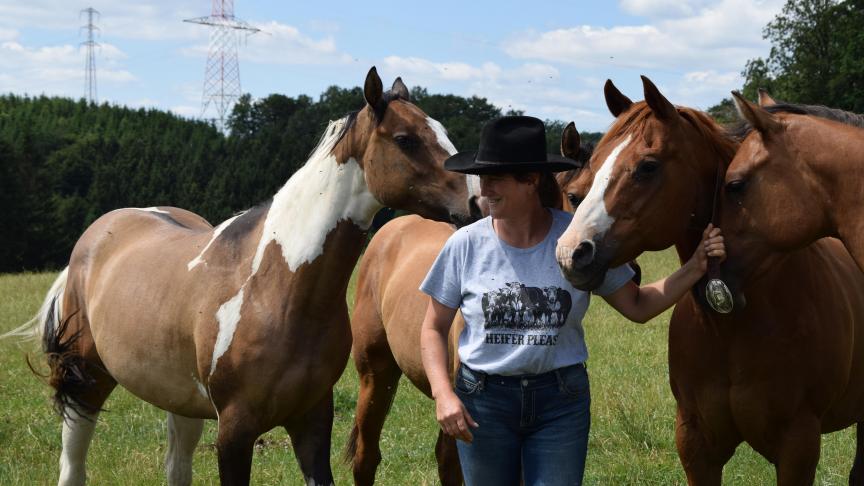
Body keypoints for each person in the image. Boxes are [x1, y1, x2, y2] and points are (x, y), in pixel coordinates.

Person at [419, 116, 725, 486]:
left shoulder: (575, 243)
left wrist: (695, 267)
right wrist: (443, 395)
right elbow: (433, 328)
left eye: (495, 178)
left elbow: (639, 306)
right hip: (484, 402)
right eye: (483, 178)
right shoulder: (465, 245)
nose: (485, 190)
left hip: (559, 403)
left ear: (531, 181)